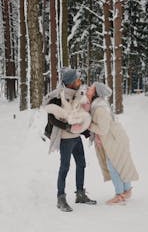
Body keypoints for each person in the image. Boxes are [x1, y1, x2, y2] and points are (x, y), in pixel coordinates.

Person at [42, 68, 96, 212]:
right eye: (77, 80)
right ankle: (61, 198)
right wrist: (67, 127)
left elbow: (78, 115)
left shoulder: (77, 95)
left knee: (82, 164)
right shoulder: (58, 97)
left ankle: (80, 194)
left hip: (76, 138)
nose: (80, 82)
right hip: (66, 139)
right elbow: (51, 118)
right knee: (64, 167)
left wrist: (84, 131)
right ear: (70, 83)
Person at [85, 82, 139, 205]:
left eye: (91, 88)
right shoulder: (96, 105)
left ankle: (119, 195)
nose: (88, 89)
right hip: (114, 138)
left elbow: (102, 129)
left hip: (114, 139)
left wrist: (88, 124)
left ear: (95, 93)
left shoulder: (99, 108)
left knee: (113, 166)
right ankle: (127, 191)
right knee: (119, 164)